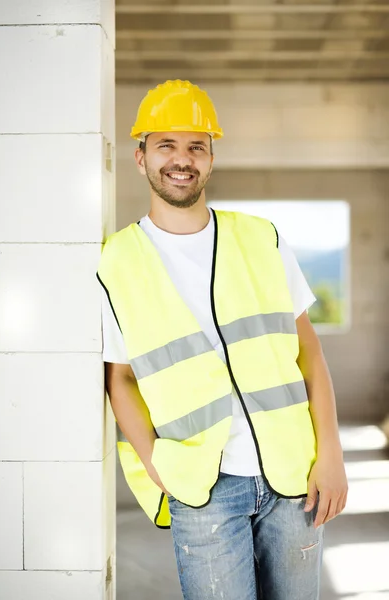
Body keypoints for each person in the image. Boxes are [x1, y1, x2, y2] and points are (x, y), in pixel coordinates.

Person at [96, 80, 348, 600]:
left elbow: (310, 354)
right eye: (166, 145)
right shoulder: (117, 261)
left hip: (292, 478)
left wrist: (332, 456)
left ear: (210, 159)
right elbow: (118, 378)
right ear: (140, 156)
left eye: (196, 146)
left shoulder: (261, 238)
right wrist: (155, 463)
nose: (181, 160)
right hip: (204, 487)